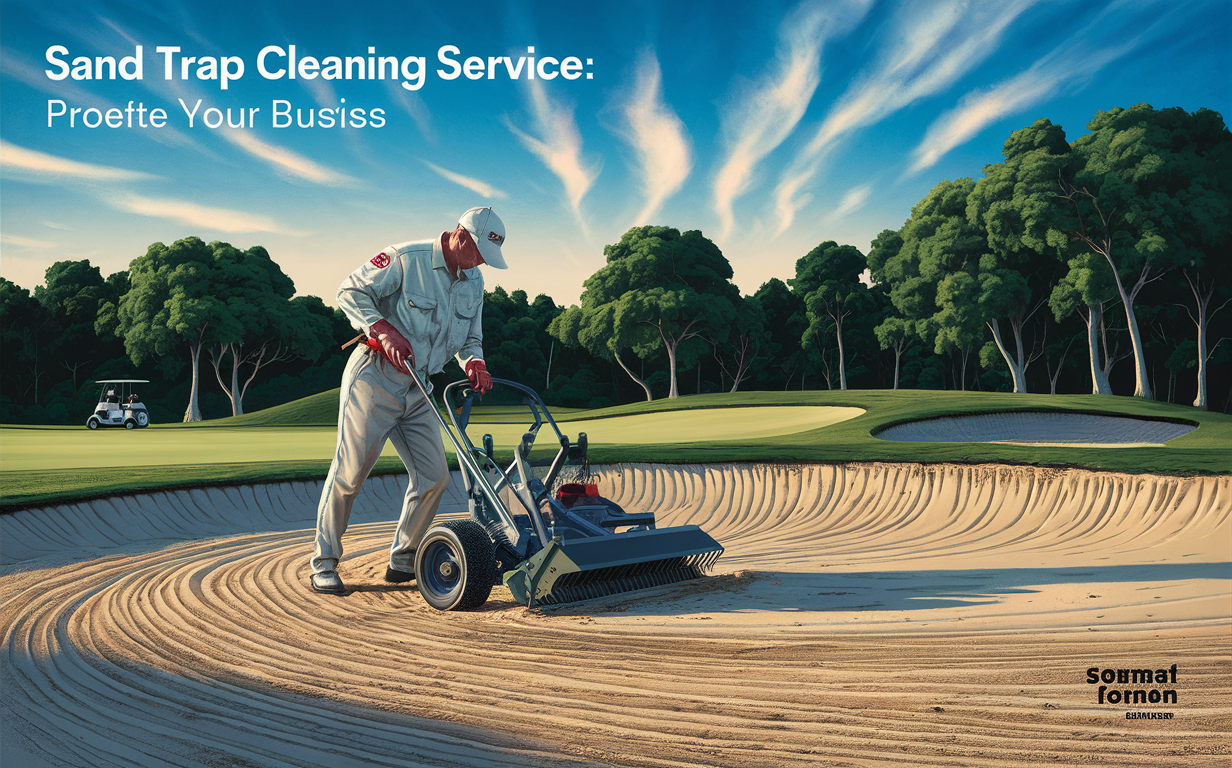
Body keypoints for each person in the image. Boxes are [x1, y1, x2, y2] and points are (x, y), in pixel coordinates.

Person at [309, 206, 507, 594]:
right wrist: (382, 329)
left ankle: (404, 559)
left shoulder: (473, 280)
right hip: (375, 379)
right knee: (350, 475)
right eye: (479, 251)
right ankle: (324, 562)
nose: (481, 261)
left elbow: (471, 338)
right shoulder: (406, 259)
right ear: (461, 236)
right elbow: (349, 290)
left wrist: (476, 363)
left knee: (434, 476)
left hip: (421, 387)